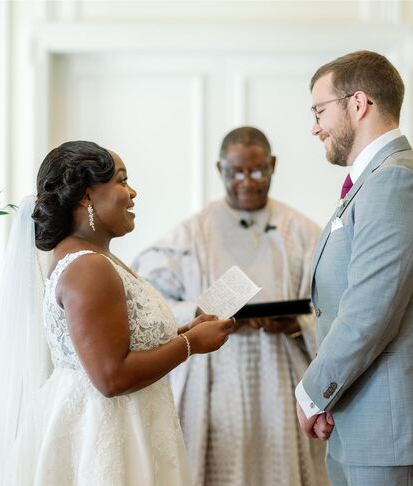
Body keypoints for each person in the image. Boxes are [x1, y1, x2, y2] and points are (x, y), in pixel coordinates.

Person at [0, 141, 235, 486]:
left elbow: (120, 343)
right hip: (105, 431)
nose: (133, 191)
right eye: (122, 181)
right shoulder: (89, 268)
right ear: (87, 196)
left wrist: (186, 332)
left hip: (128, 420)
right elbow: (111, 377)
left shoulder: (96, 257)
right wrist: (190, 346)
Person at [295, 51, 413, 485]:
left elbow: (369, 311)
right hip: (367, 419)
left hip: (393, 425)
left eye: (319, 111)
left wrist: (312, 392)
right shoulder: (378, 179)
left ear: (358, 104)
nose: (315, 127)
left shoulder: (397, 181)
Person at [133, 127, 329, 486]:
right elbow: (148, 300)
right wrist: (198, 314)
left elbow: (332, 306)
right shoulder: (193, 233)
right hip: (214, 376)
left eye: (257, 171)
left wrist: (297, 324)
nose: (247, 182)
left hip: (280, 373)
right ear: (219, 168)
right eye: (235, 172)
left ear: (272, 165)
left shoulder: (301, 232)